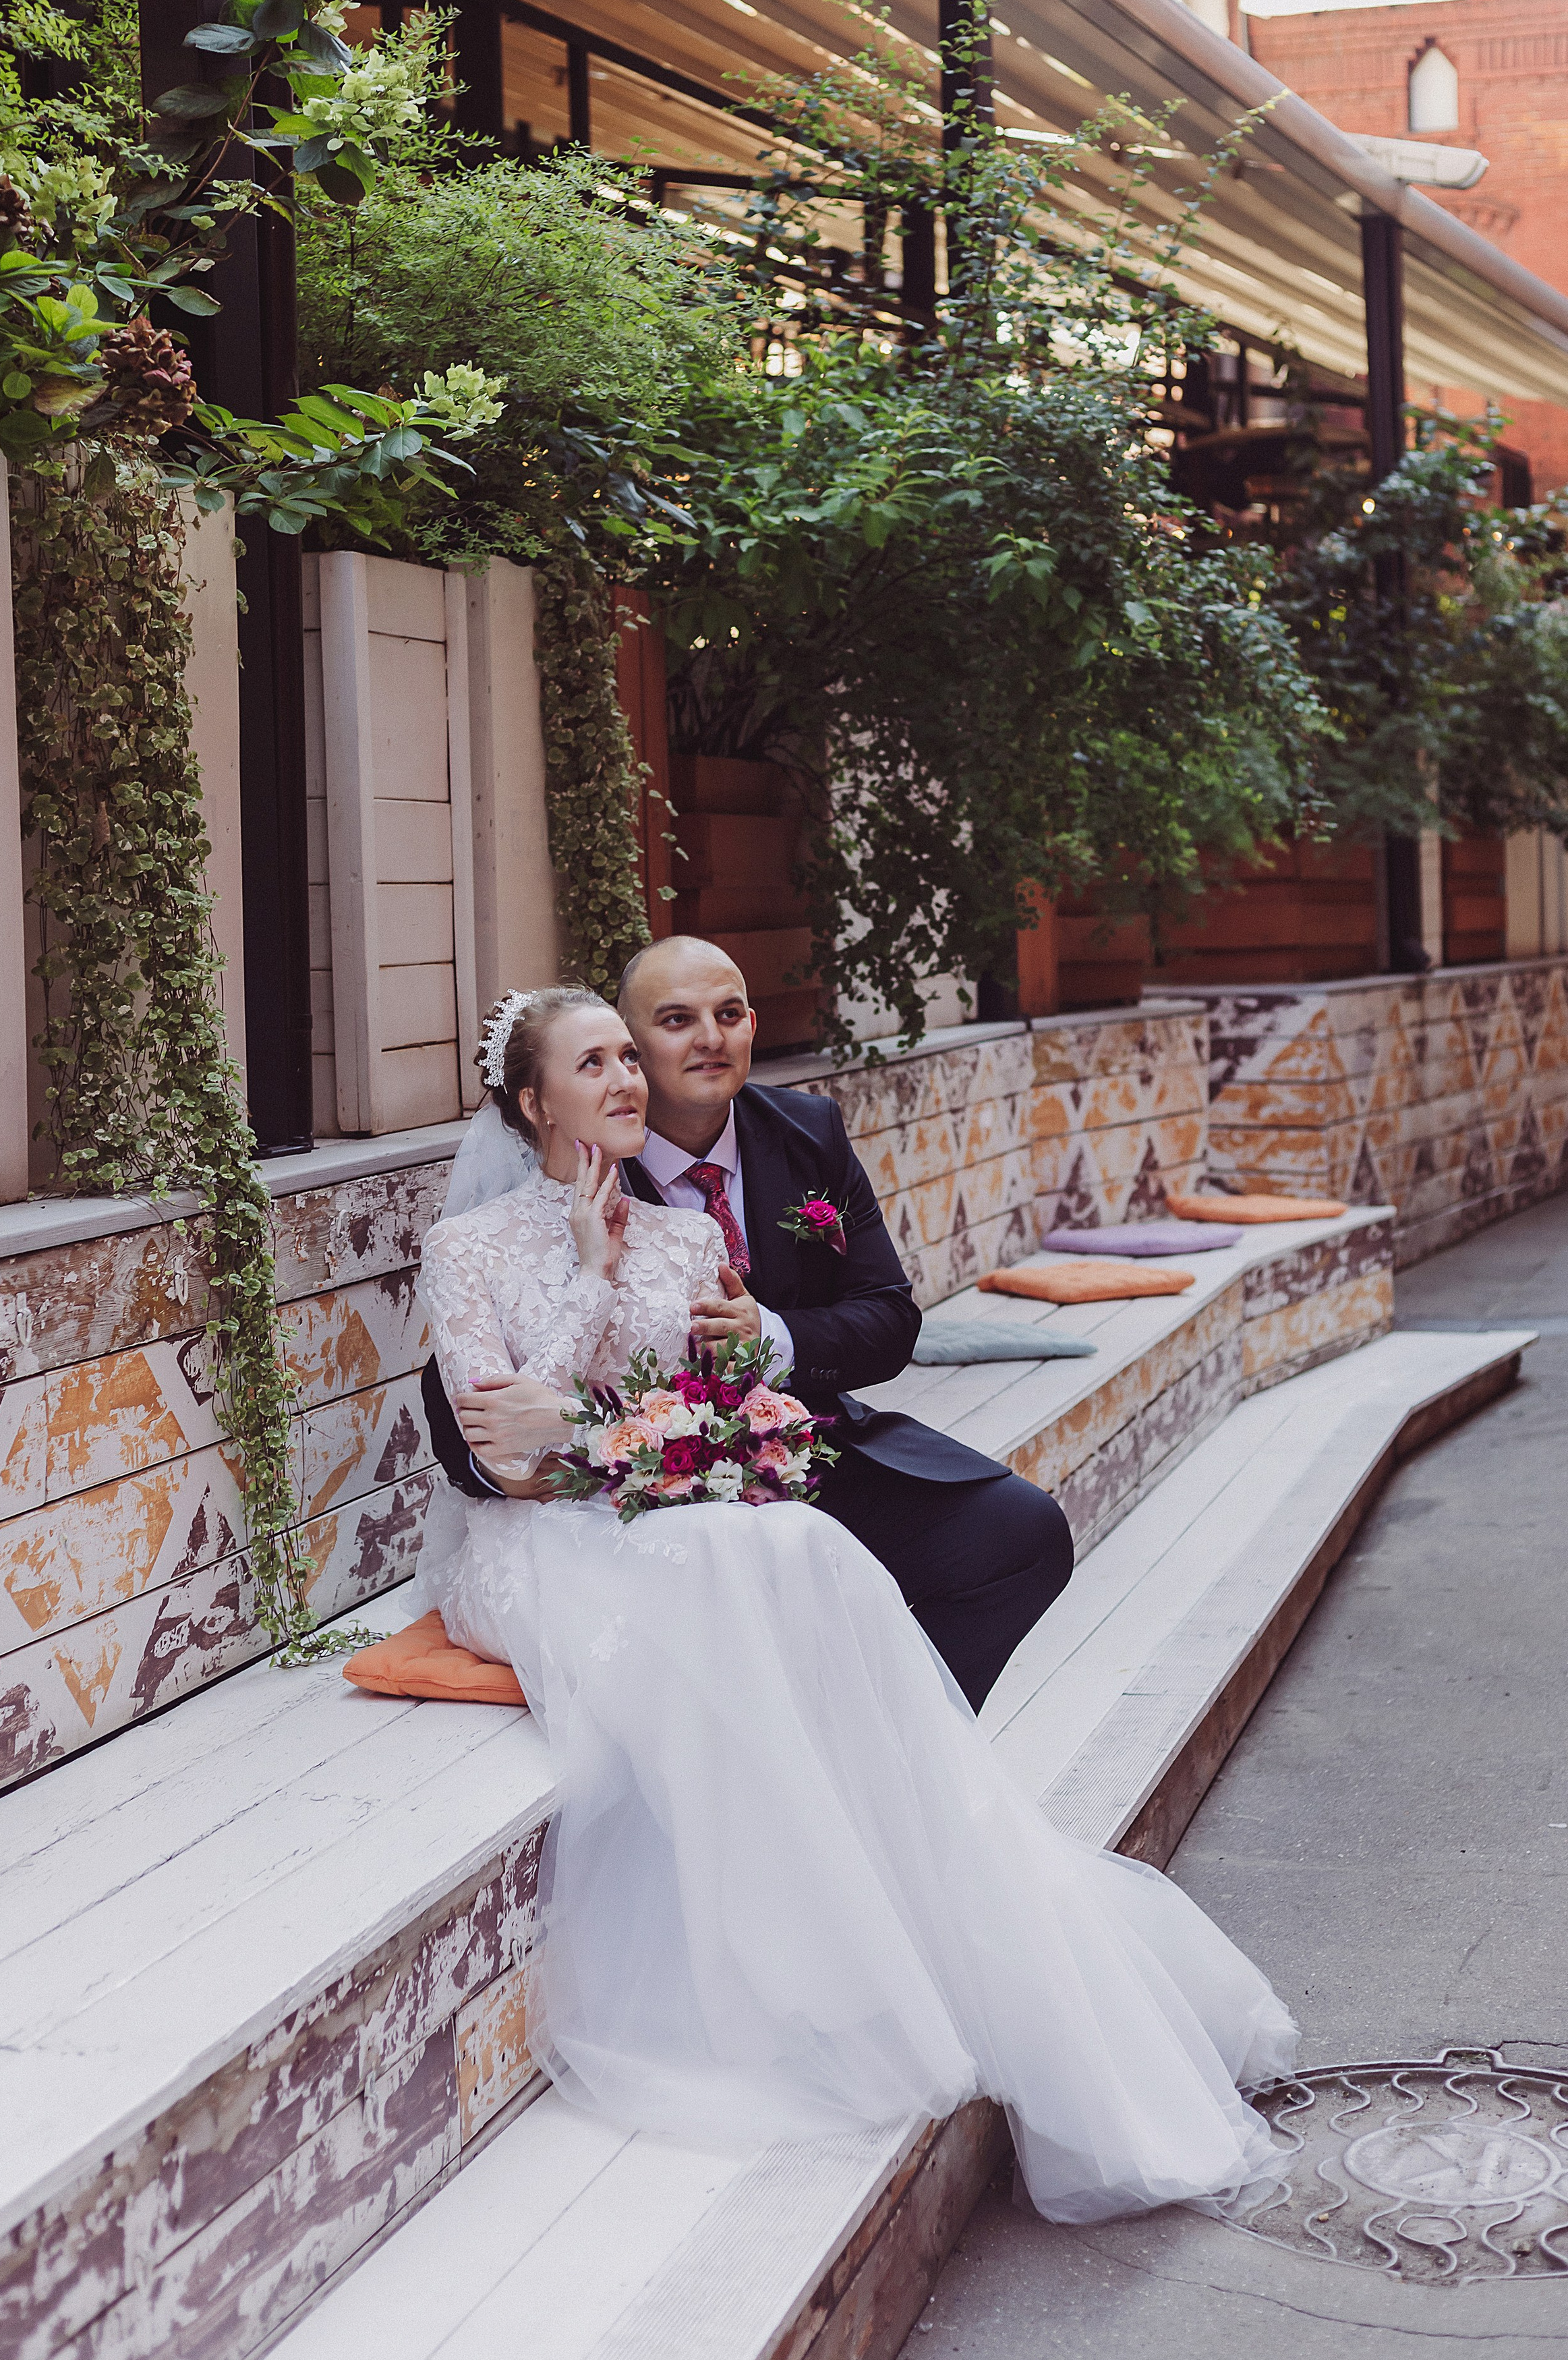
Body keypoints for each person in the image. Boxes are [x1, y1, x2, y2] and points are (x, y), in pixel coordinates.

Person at [415, 983, 1297, 2224]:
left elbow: (713, 1413)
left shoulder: (686, 1241)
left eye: (631, 1057)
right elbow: (506, 1449)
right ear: (530, 1102)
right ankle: (795, 1934)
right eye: (595, 1062)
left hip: (669, 1515)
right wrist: (590, 1280)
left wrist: (680, 1433)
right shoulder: (471, 1249)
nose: (627, 1080)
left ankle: (880, 1855)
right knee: (742, 1562)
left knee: (806, 1553)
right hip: (539, 1544)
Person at [422, 937, 1074, 1711]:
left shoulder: (803, 1136)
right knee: (761, 1573)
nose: (708, 1039)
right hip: (604, 1501)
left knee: (1018, 1534)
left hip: (768, 1450)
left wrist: (769, 1335)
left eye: (728, 1014)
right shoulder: (547, 1188)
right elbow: (477, 1418)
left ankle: (897, 1752)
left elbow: (889, 1317)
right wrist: (550, 1443)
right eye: (672, 1022)